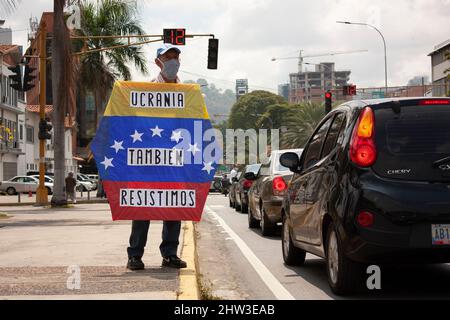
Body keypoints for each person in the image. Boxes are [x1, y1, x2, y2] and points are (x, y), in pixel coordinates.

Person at [127, 43, 187, 271]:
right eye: (168, 57)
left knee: (174, 205)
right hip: (148, 159)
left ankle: (170, 254)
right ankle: (135, 255)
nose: (173, 61)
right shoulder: (145, 90)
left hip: (175, 158)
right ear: (158, 62)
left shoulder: (188, 94)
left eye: (176, 57)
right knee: (143, 206)